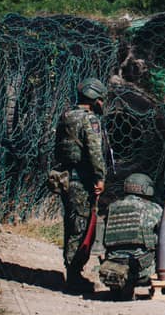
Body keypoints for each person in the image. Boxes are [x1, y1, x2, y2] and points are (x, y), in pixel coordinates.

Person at [50, 77, 109, 293]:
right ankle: (74, 277)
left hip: (66, 177)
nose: (102, 103)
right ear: (94, 97)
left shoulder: (66, 115)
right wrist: (99, 177)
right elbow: (94, 151)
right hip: (82, 179)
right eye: (101, 99)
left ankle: (72, 273)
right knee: (80, 227)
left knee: (72, 223)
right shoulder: (89, 120)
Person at [98, 173, 164, 300]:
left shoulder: (111, 207)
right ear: (146, 188)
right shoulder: (154, 209)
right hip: (142, 267)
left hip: (111, 264)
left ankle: (119, 286)